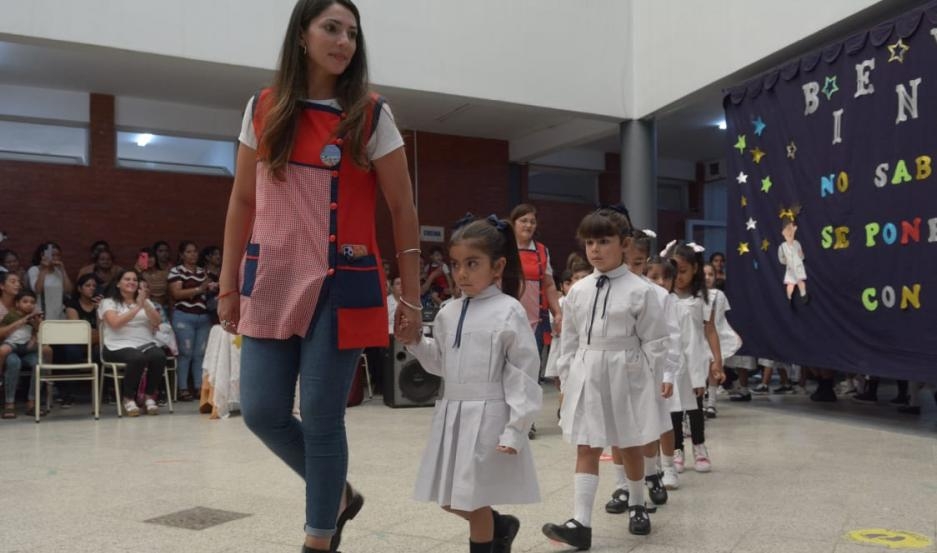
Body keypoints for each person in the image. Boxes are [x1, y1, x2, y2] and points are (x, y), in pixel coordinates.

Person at [215, 1, 422, 550]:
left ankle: (319, 536)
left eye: (352, 32)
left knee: (324, 417)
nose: (344, 42)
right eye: (332, 28)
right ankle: (338, 494)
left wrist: (412, 297)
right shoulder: (263, 107)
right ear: (302, 35)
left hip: (342, 283)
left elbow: (403, 209)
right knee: (262, 412)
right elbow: (242, 200)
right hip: (270, 278)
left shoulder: (371, 115)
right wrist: (227, 284)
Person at [402, 216, 541, 553]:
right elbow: (441, 364)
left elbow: (523, 372)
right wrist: (416, 342)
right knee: (448, 497)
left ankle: (491, 532)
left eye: (472, 263)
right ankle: (501, 525)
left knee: (474, 500)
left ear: (498, 267)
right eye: (456, 264)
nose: (461, 273)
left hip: (488, 417)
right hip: (453, 414)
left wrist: (516, 429)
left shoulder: (508, 310)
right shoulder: (448, 312)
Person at [542, 207, 671, 545]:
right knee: (587, 443)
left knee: (629, 442)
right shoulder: (578, 290)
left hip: (627, 371)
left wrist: (649, 379)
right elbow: (570, 339)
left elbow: (655, 341)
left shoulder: (641, 290)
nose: (595, 250)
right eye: (589, 243)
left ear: (624, 244)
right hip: (588, 371)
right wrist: (568, 376)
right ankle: (581, 523)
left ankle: (637, 504)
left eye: (603, 241)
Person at [605, 231, 679, 515]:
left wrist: (668, 374)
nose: (630, 269)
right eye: (625, 262)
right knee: (617, 429)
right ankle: (622, 485)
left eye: (637, 263)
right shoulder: (607, 290)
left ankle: (651, 473)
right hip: (616, 370)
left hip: (649, 371)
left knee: (648, 427)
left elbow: (671, 337)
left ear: (645, 262)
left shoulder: (658, 295)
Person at [661, 241, 725, 474]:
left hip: (695, 360)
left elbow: (710, 330)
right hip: (671, 360)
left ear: (695, 269)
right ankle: (677, 449)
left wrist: (717, 361)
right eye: (674, 272)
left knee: (696, 406)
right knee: (674, 407)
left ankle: (699, 446)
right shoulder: (664, 298)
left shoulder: (702, 298)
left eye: (683, 271)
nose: (678, 277)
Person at [510, 203, 562, 440]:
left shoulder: (542, 251)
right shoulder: (502, 248)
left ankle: (527, 421)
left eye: (532, 221)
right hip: (506, 320)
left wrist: (557, 313)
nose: (528, 225)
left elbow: (549, 285)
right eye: (523, 220)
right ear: (513, 223)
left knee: (530, 373)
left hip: (534, 321)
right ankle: (507, 419)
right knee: (506, 370)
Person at [99, 270, 166, 416]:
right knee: (137, 357)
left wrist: (145, 303)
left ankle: (149, 396)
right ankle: (128, 398)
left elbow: (157, 322)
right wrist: (137, 307)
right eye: (127, 279)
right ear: (118, 283)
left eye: (135, 280)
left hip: (145, 344)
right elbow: (115, 323)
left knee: (159, 356)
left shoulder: (145, 301)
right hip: (116, 346)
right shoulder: (108, 302)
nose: (132, 282)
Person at [169, 241, 216, 401]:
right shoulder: (176, 271)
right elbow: (176, 293)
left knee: (200, 354)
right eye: (188, 252)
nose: (193, 254)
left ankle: (199, 387)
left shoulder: (203, 272)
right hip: (184, 316)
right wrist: (199, 289)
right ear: (181, 255)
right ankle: (182, 388)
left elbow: (209, 290)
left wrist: (212, 287)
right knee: (185, 353)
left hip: (203, 317)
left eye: (195, 251)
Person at [1, 290, 50, 418]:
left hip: (27, 349)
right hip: (12, 348)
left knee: (38, 363)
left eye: (32, 302)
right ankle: (9, 403)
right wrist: (23, 320)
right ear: (17, 303)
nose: (29, 305)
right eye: (25, 302)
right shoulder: (10, 316)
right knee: (13, 362)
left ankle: (32, 402)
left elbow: (37, 333)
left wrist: (37, 325)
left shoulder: (34, 317)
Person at [702, 263, 741, 418]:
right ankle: (699, 403)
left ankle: (711, 403)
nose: (707, 278)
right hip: (700, 337)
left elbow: (721, 318)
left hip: (716, 337)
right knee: (700, 371)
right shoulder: (696, 294)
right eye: (704, 274)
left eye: (711, 274)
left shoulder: (719, 295)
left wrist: (731, 332)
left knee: (714, 370)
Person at [27, 242, 73, 321]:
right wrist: (44, 269)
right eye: (53, 255)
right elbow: (37, 290)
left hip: (59, 312)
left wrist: (63, 270)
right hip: (42, 313)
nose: (56, 258)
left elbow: (68, 290)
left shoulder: (58, 271)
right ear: (43, 255)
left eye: (58, 255)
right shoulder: (34, 270)